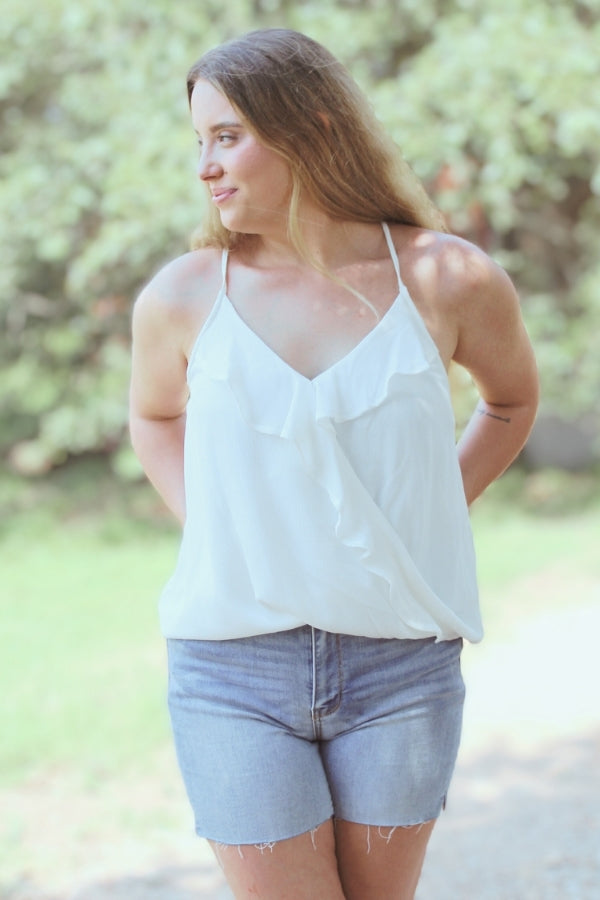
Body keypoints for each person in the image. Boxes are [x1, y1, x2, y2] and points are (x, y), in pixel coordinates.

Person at [129, 28, 539, 900]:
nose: (205, 165)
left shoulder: (448, 278)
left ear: (311, 122)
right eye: (198, 141)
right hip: (232, 666)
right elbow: (152, 414)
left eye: (228, 135)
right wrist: (213, 522)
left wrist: (432, 505)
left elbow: (511, 402)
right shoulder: (184, 295)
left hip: (400, 663)